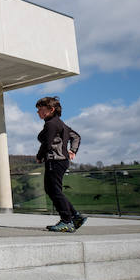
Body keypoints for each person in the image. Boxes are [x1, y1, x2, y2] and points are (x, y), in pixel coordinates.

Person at [35, 96, 86, 233]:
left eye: (41, 109)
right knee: (54, 190)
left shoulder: (51, 124)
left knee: (53, 190)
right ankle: (74, 216)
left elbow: (47, 143)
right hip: (61, 161)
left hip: (55, 160)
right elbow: (76, 136)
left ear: (51, 110)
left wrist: (39, 156)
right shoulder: (61, 123)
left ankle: (66, 221)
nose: (38, 112)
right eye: (38, 110)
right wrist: (72, 150)